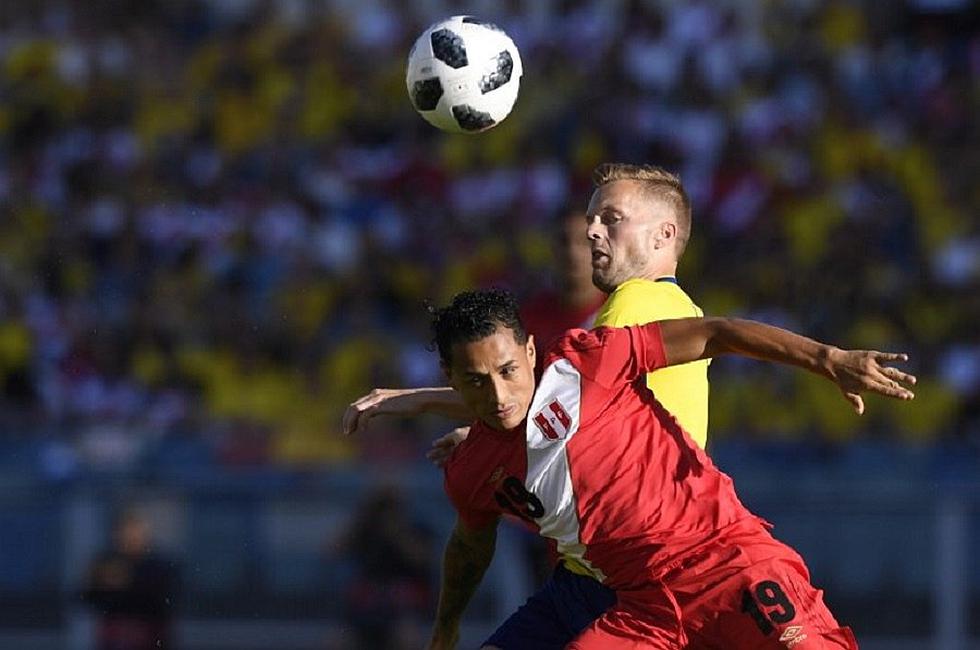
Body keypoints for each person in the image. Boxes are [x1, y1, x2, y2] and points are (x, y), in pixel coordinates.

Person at [345, 289, 915, 649]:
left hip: (728, 566)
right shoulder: (470, 470)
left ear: (531, 352)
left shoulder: (591, 361)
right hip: (641, 610)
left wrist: (828, 359)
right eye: (473, 380)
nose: (498, 394)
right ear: (450, 373)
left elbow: (715, 333)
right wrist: (446, 626)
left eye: (508, 371)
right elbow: (469, 548)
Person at [416, 163, 710, 469]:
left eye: (607, 223)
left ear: (662, 234)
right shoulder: (532, 316)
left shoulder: (631, 304)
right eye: (566, 240)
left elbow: (561, 411)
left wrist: (423, 405)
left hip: (643, 502)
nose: (583, 244)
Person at [80, 509, 180, 650]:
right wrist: (104, 584)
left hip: (149, 636)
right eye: (126, 531)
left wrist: (129, 582)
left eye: (136, 530)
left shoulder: (158, 564)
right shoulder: (105, 562)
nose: (131, 536)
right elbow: (85, 597)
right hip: (114, 638)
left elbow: (167, 597)